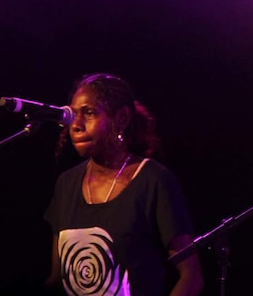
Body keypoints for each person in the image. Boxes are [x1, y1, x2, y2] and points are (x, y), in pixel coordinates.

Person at [44, 73, 204, 296]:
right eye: (73, 115)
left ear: (121, 119)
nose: (76, 125)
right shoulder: (66, 184)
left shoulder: (153, 180)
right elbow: (57, 277)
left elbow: (191, 276)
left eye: (89, 113)